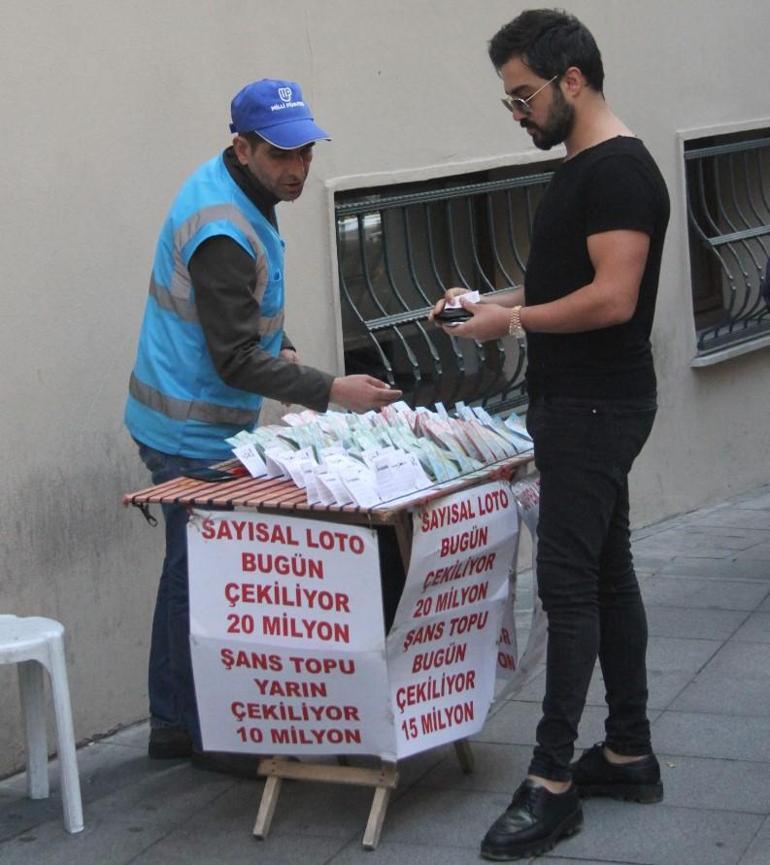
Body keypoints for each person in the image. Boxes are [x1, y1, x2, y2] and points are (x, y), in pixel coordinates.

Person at [432, 10, 670, 860]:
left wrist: (513, 321)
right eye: (509, 101)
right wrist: (490, 302)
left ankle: (552, 779)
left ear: (573, 80)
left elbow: (611, 297)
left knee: (568, 588)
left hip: (596, 407)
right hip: (586, 401)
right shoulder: (586, 168)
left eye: (523, 96)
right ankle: (629, 750)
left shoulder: (618, 174)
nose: (518, 113)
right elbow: (571, 280)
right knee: (608, 575)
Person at [125, 78, 401, 772]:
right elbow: (236, 355)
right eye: (282, 153)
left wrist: (288, 353)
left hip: (195, 418)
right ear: (242, 146)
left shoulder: (243, 190)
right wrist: (331, 388)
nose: (298, 167)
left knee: (189, 571)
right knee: (200, 579)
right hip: (186, 428)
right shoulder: (222, 225)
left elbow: (249, 324)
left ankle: (171, 720)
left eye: (305, 150)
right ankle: (198, 731)